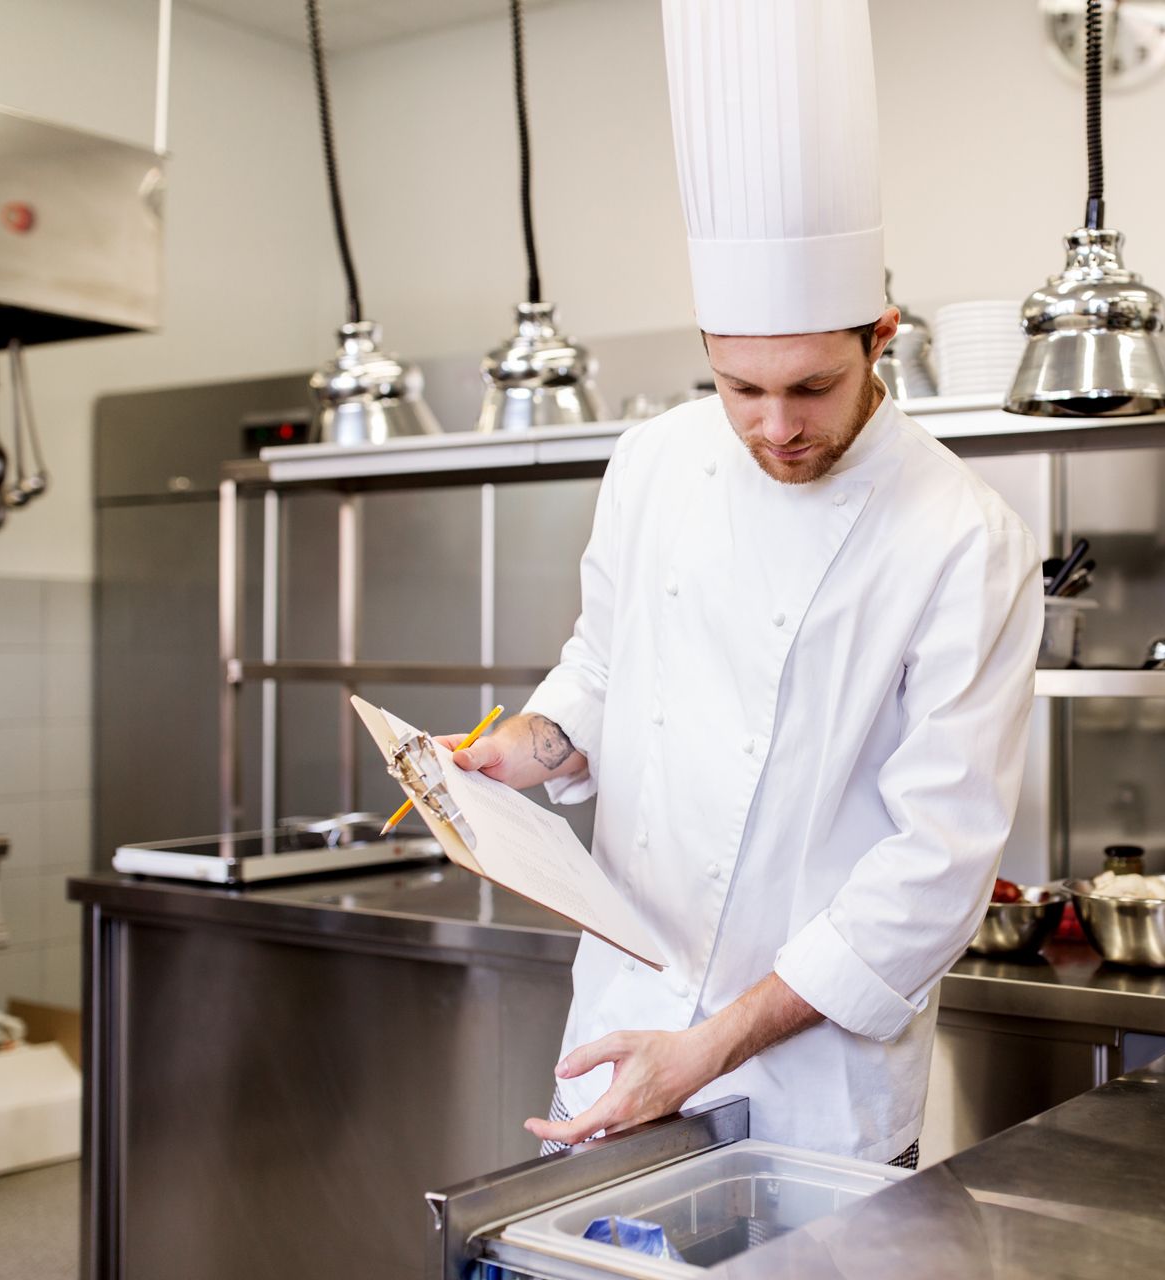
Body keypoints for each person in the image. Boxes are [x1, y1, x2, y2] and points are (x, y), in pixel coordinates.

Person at [438, 0, 1042, 1169]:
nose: (775, 428)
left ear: (881, 335)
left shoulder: (966, 537)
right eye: (738, 387)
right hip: (626, 1019)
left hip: (813, 1062)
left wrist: (711, 1043)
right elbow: (609, 665)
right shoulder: (655, 457)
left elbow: (936, 866)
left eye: (811, 387)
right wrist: (531, 746)